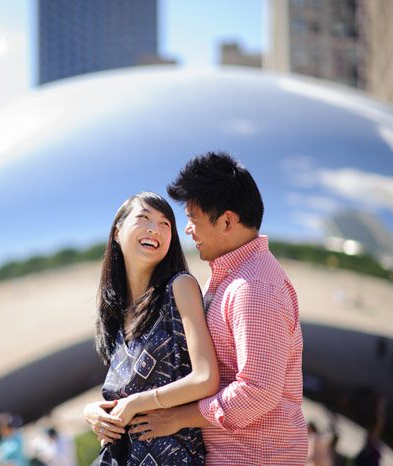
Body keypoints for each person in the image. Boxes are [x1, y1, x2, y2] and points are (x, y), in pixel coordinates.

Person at [121, 152, 308, 464]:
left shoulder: (254, 288)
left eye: (193, 220)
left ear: (227, 221)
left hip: (254, 456)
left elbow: (257, 392)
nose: (187, 230)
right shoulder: (231, 277)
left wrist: (178, 418)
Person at [83, 191, 219, 465]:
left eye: (165, 223)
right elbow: (122, 392)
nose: (154, 229)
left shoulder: (179, 287)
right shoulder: (115, 311)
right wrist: (93, 412)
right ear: (117, 232)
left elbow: (206, 378)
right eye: (144, 218)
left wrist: (136, 404)